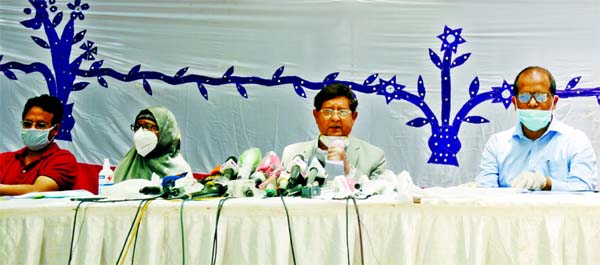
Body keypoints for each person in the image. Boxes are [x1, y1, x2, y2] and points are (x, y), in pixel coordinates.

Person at [477, 66, 597, 191]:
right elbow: (485, 191)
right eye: (524, 96)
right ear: (514, 102)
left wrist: (547, 184)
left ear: (554, 102)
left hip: (559, 210)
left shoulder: (575, 141)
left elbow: (585, 188)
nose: (533, 103)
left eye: (541, 96)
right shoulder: (497, 144)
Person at [281, 83, 386, 179]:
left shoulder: (374, 156)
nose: (335, 118)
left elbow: (378, 195)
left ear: (354, 117)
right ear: (316, 115)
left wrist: (348, 169)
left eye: (343, 112)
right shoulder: (292, 153)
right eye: (327, 111)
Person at [0, 94, 77, 195]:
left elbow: (38, 190)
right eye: (27, 124)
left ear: (56, 129)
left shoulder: (63, 159)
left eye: (40, 125)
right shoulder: (4, 159)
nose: (32, 129)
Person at [114, 106, 193, 182]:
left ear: (165, 132)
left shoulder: (181, 171)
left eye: (148, 126)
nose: (140, 132)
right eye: (137, 126)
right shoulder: (126, 165)